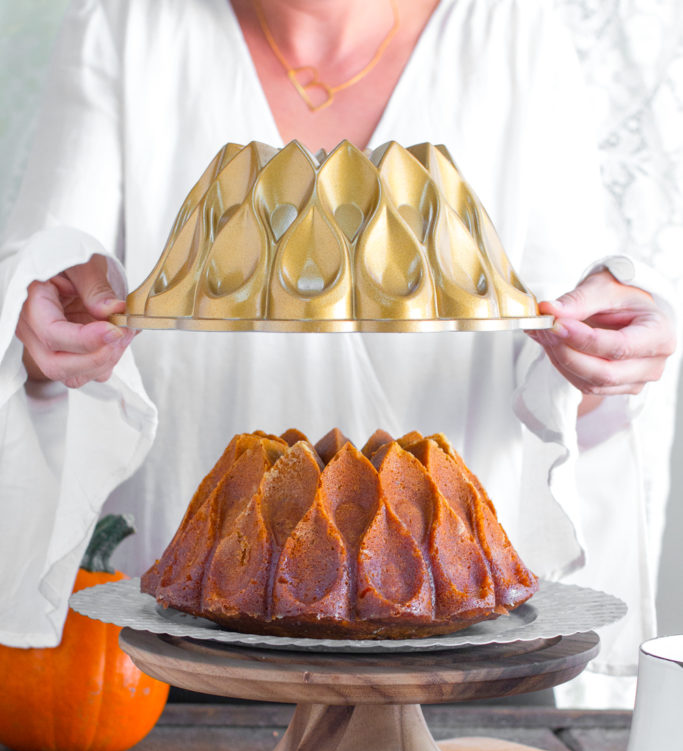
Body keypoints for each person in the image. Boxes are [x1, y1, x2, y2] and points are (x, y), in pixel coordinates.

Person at [0, 0, 675, 702]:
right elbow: (49, 286)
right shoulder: (125, 24)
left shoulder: (511, 32)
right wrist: (43, 334)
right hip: (189, 639)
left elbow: (558, 346)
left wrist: (598, 357)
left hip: (461, 648)